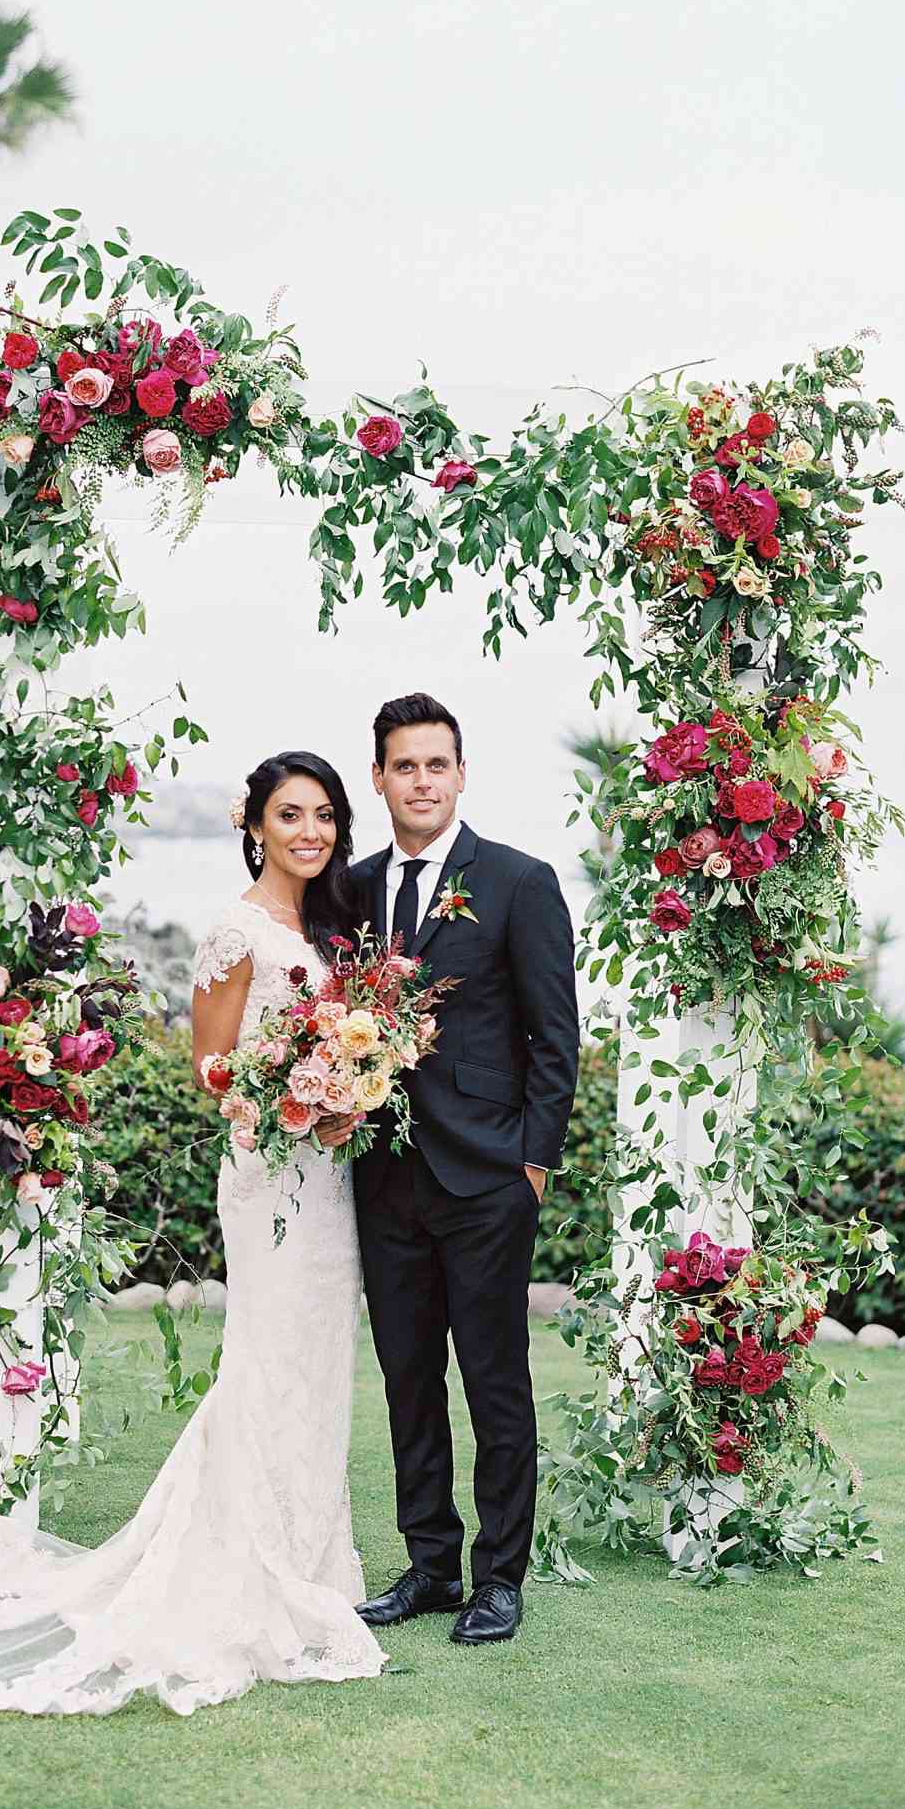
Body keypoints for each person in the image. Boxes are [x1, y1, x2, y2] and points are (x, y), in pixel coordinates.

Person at [0, 751, 386, 1718]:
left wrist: (344, 1098)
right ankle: (250, 1570)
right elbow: (211, 1072)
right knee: (266, 1362)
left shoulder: (333, 928)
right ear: (253, 826)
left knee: (317, 1360)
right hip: (268, 1180)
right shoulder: (235, 931)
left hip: (329, 1183)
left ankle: (312, 1561)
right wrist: (293, 1102)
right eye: (291, 816)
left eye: (326, 816)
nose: (312, 832)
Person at [351, 693, 580, 1645]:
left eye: (437, 764)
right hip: (384, 1179)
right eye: (404, 766)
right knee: (409, 1380)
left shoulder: (519, 883)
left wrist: (531, 1165)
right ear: (379, 778)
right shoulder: (354, 890)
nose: (422, 782)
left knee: (494, 1383)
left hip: (488, 1182)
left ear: (460, 774)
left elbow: (555, 1039)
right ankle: (430, 1567)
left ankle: (501, 1579)